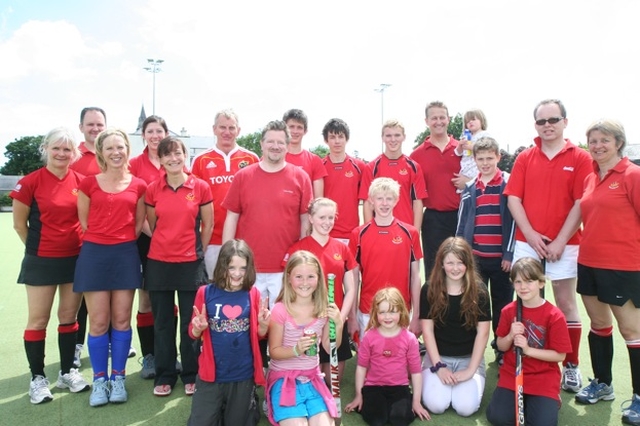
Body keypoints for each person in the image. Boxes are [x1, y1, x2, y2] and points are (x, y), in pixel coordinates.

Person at [504, 99, 592, 392]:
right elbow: (514, 198)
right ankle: (524, 357)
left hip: (566, 244)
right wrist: (529, 234)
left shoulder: (580, 157)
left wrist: (560, 241)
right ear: (535, 126)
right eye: (542, 122)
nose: (547, 126)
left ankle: (571, 365)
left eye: (553, 120)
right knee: (525, 300)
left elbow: (581, 202)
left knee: (566, 304)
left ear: (565, 121)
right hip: (527, 244)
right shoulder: (525, 157)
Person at [10, 127, 90, 404]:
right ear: (46, 149)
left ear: (74, 153)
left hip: (75, 258)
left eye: (67, 149)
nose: (61, 153)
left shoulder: (81, 181)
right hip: (41, 260)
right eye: (56, 148)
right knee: (39, 320)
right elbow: (20, 225)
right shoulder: (30, 182)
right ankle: (37, 378)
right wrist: (38, 250)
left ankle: (67, 372)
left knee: (69, 317)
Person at [73, 128, 147, 406]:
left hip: (125, 255)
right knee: (99, 321)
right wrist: (103, 241)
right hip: (94, 255)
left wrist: (119, 242)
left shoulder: (139, 185)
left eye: (121, 147)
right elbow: (84, 222)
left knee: (121, 320)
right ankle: (99, 381)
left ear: (128, 149)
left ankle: (118, 378)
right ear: (101, 153)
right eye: (110, 148)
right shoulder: (89, 183)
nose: (116, 152)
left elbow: (138, 224)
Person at [574, 120, 640, 425]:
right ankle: (603, 383)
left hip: (624, 267)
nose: (598, 146)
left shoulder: (632, 175)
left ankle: (639, 397)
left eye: (604, 140)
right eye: (593, 141)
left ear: (618, 142)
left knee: (632, 332)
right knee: (599, 325)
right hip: (589, 263)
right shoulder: (591, 177)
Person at [145, 137, 213, 397]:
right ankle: (164, 374)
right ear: (160, 160)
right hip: (159, 264)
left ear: (185, 156)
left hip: (190, 265)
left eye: (178, 154)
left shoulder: (201, 187)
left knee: (191, 322)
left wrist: (197, 251)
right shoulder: (152, 189)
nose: (173, 159)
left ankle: (191, 373)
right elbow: (152, 224)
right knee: (162, 322)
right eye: (167, 155)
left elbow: (208, 225)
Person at [222, 120, 313, 308]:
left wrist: (301, 261)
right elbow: (231, 217)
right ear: (261, 144)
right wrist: (227, 258)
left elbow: (306, 221)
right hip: (248, 267)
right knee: (250, 327)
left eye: (280, 142)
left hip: (286, 269)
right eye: (270, 141)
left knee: (282, 328)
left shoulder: (300, 177)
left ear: (288, 146)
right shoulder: (243, 176)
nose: (275, 146)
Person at [188, 239, 270, 426]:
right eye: (231, 267)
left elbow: (258, 335)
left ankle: (250, 404)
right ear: (222, 266)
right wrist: (197, 328)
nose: (237, 273)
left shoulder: (253, 294)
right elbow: (192, 333)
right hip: (212, 375)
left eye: (243, 268)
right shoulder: (205, 292)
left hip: (242, 374)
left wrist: (264, 325)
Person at [486, 257, 571, 426]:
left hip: (543, 376)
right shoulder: (508, 311)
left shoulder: (554, 315)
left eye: (529, 281)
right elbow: (501, 345)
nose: (523, 287)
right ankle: (524, 400)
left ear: (541, 283)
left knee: (543, 423)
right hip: (513, 372)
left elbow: (560, 355)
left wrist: (527, 349)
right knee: (498, 417)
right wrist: (510, 335)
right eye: (518, 282)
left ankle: (552, 399)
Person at [283, 198, 357, 388]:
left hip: (333, 320)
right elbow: (289, 286)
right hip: (308, 322)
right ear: (311, 218)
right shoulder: (298, 248)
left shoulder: (342, 248)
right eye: (322, 217)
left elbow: (351, 288)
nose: (327, 222)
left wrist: (341, 316)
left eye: (331, 217)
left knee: (333, 384)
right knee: (312, 382)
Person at [456, 136, 515, 364]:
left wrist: (509, 254)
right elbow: (462, 222)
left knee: (502, 307)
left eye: (490, 158)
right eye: (481, 159)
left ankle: (501, 350)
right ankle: (471, 350)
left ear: (498, 157)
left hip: (502, 261)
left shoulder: (508, 184)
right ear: (476, 160)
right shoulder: (470, 187)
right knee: (473, 305)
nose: (486, 163)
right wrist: (461, 253)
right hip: (476, 259)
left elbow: (514, 223)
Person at [266, 250, 342, 425]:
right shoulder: (280, 309)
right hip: (284, 380)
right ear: (289, 278)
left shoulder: (324, 308)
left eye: (310, 277)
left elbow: (329, 348)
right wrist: (296, 350)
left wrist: (338, 324)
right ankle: (271, 401)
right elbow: (274, 351)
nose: (305, 283)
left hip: (312, 379)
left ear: (318, 278)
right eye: (299, 277)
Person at [420, 237, 490, 417]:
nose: (455, 268)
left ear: (468, 263)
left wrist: (470, 370)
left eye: (460, 262)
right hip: (438, 356)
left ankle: (466, 384)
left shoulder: (480, 290)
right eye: (450, 262)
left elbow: (483, 333)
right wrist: (439, 367)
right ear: (441, 263)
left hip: (468, 358)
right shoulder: (429, 289)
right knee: (436, 405)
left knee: (465, 408)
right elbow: (427, 331)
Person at [344, 287, 431, 425]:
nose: (387, 317)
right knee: (377, 420)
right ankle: (371, 403)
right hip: (374, 386)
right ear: (375, 313)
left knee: (400, 420)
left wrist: (416, 402)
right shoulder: (369, 337)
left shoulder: (409, 339)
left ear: (401, 311)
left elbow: (415, 372)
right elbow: (361, 367)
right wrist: (358, 395)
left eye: (392, 311)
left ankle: (407, 400)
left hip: (399, 387)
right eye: (382, 312)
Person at [349, 177, 423, 339]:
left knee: (399, 363)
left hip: (400, 310)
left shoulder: (410, 233)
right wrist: (352, 316)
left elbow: (415, 277)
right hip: (368, 310)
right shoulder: (358, 234)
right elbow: (354, 278)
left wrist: (416, 315)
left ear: (396, 201)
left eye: (389, 198)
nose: (384, 203)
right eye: (379, 198)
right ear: (371, 201)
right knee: (369, 362)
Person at [191, 109, 259, 277]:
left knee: (243, 287)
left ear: (239, 130)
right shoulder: (201, 160)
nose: (227, 132)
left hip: (243, 239)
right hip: (212, 240)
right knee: (214, 288)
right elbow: (193, 202)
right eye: (222, 127)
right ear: (214, 129)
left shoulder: (251, 159)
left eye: (231, 128)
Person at [129, 115, 169, 379]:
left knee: (169, 297)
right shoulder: (134, 164)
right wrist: (155, 234)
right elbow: (134, 206)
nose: (155, 135)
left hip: (174, 241)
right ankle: (150, 356)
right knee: (146, 298)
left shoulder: (174, 159)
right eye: (150, 131)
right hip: (146, 239)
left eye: (159, 131)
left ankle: (169, 354)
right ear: (143, 135)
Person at [70, 106, 107, 368]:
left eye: (99, 124)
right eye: (90, 124)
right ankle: (75, 345)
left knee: (113, 294)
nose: (95, 129)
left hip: (110, 242)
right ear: (81, 127)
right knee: (81, 299)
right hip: (81, 241)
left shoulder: (113, 155)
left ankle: (115, 341)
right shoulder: (72, 157)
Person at [409, 101, 461, 277]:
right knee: (435, 271)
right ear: (426, 121)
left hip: (461, 216)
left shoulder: (462, 150)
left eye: (442, 117)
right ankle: (435, 305)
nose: (438, 122)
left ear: (448, 119)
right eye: (434, 118)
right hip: (433, 219)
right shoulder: (416, 155)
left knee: (462, 266)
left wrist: (468, 180)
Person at [359, 119, 427, 230]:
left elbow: (417, 202)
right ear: (383, 138)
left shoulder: (414, 167)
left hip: (405, 229)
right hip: (379, 230)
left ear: (404, 137)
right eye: (388, 136)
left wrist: (415, 232)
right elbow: (367, 203)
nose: (393, 139)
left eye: (397, 135)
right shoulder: (372, 167)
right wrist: (369, 231)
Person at [321, 118, 365, 244]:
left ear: (347, 139)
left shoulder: (359, 167)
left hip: (352, 233)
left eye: (340, 136)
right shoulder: (319, 166)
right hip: (325, 232)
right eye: (332, 137)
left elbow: (368, 202)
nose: (337, 141)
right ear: (326, 140)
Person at [283, 109, 327, 198]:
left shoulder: (314, 160)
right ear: (284, 128)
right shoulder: (271, 158)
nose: (295, 131)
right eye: (291, 126)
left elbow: (318, 200)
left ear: (305, 131)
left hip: (305, 211)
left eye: (299, 127)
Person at [454, 109, 491, 191]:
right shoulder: (465, 136)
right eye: (468, 121)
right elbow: (457, 153)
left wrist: (472, 147)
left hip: (477, 167)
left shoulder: (484, 134)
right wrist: (460, 145)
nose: (470, 122)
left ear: (482, 121)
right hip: (465, 168)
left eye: (473, 119)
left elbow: (487, 148)